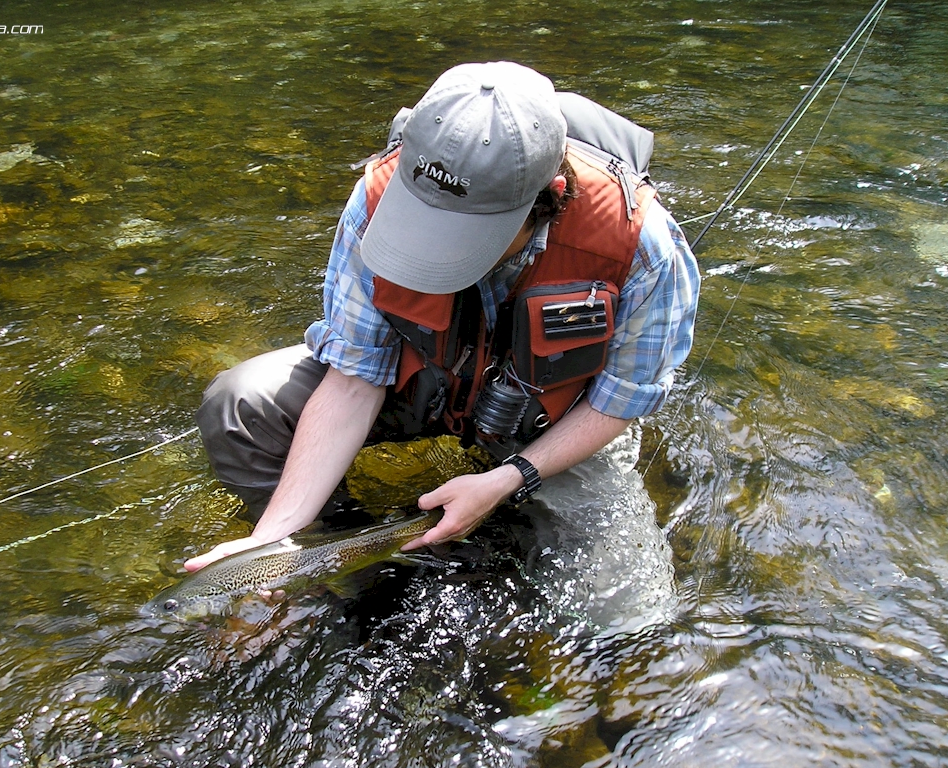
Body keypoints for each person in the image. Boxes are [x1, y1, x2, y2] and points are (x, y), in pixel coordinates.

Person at [184, 61, 699, 572]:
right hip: (419, 383)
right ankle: (340, 565)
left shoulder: (641, 245)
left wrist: (510, 478)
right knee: (242, 403)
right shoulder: (376, 200)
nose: (441, 253)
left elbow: (618, 402)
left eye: (470, 235)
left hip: (549, 424)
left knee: (617, 599)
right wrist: (271, 544)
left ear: (551, 198)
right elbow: (353, 380)